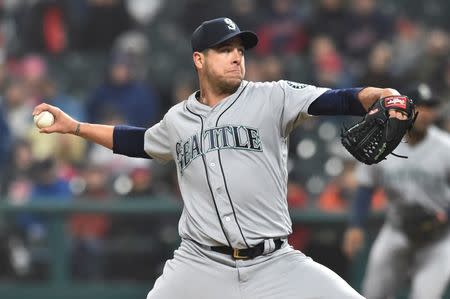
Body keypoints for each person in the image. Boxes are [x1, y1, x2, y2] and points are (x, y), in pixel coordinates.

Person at [33, 17, 408, 299]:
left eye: (240, 51)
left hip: (273, 262)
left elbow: (341, 98)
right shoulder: (178, 118)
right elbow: (140, 141)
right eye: (225, 50)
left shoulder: (272, 96)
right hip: (199, 264)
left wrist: (384, 94)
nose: (236, 58)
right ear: (199, 58)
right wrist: (76, 127)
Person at [342, 82, 450, 299]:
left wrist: (444, 216)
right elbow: (365, 186)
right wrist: (355, 225)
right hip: (397, 231)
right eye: (420, 106)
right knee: (372, 294)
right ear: (405, 108)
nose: (425, 113)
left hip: (438, 238)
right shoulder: (385, 141)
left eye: (430, 107)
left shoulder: (446, 147)